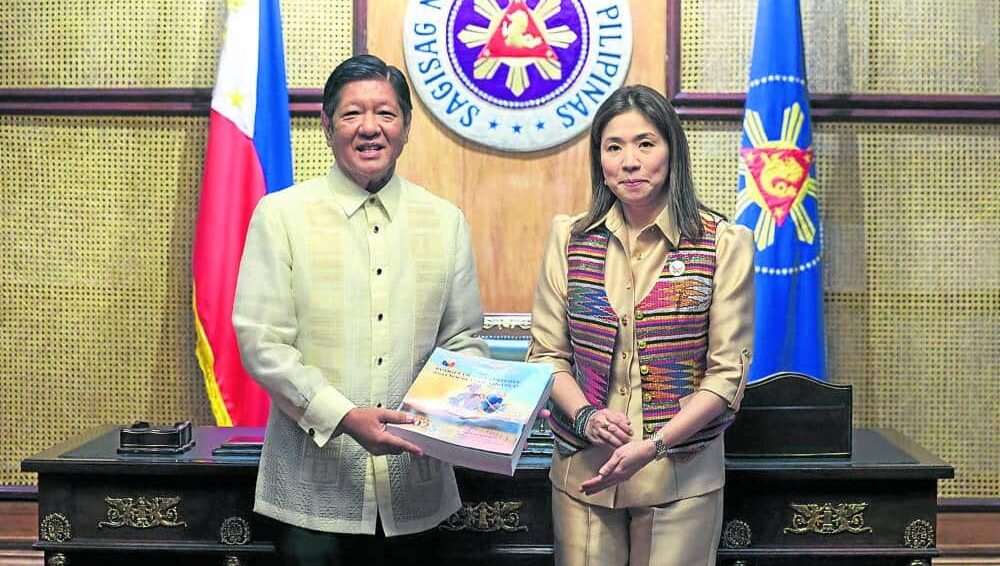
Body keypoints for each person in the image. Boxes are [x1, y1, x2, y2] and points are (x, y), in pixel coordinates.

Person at [232, 54, 488, 565]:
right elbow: (263, 342)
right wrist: (344, 417)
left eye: (386, 114)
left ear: (407, 128)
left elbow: (463, 343)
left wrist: (480, 408)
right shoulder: (282, 215)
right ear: (326, 126)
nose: (369, 128)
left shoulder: (445, 221)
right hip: (312, 497)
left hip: (417, 493)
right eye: (352, 114)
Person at [527, 84, 755, 566]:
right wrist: (586, 417)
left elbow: (727, 377)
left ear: (672, 152)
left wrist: (653, 445)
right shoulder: (569, 238)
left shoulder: (722, 243)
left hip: (681, 471)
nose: (629, 161)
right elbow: (548, 356)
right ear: (600, 162)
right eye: (614, 147)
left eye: (645, 144)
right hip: (583, 467)